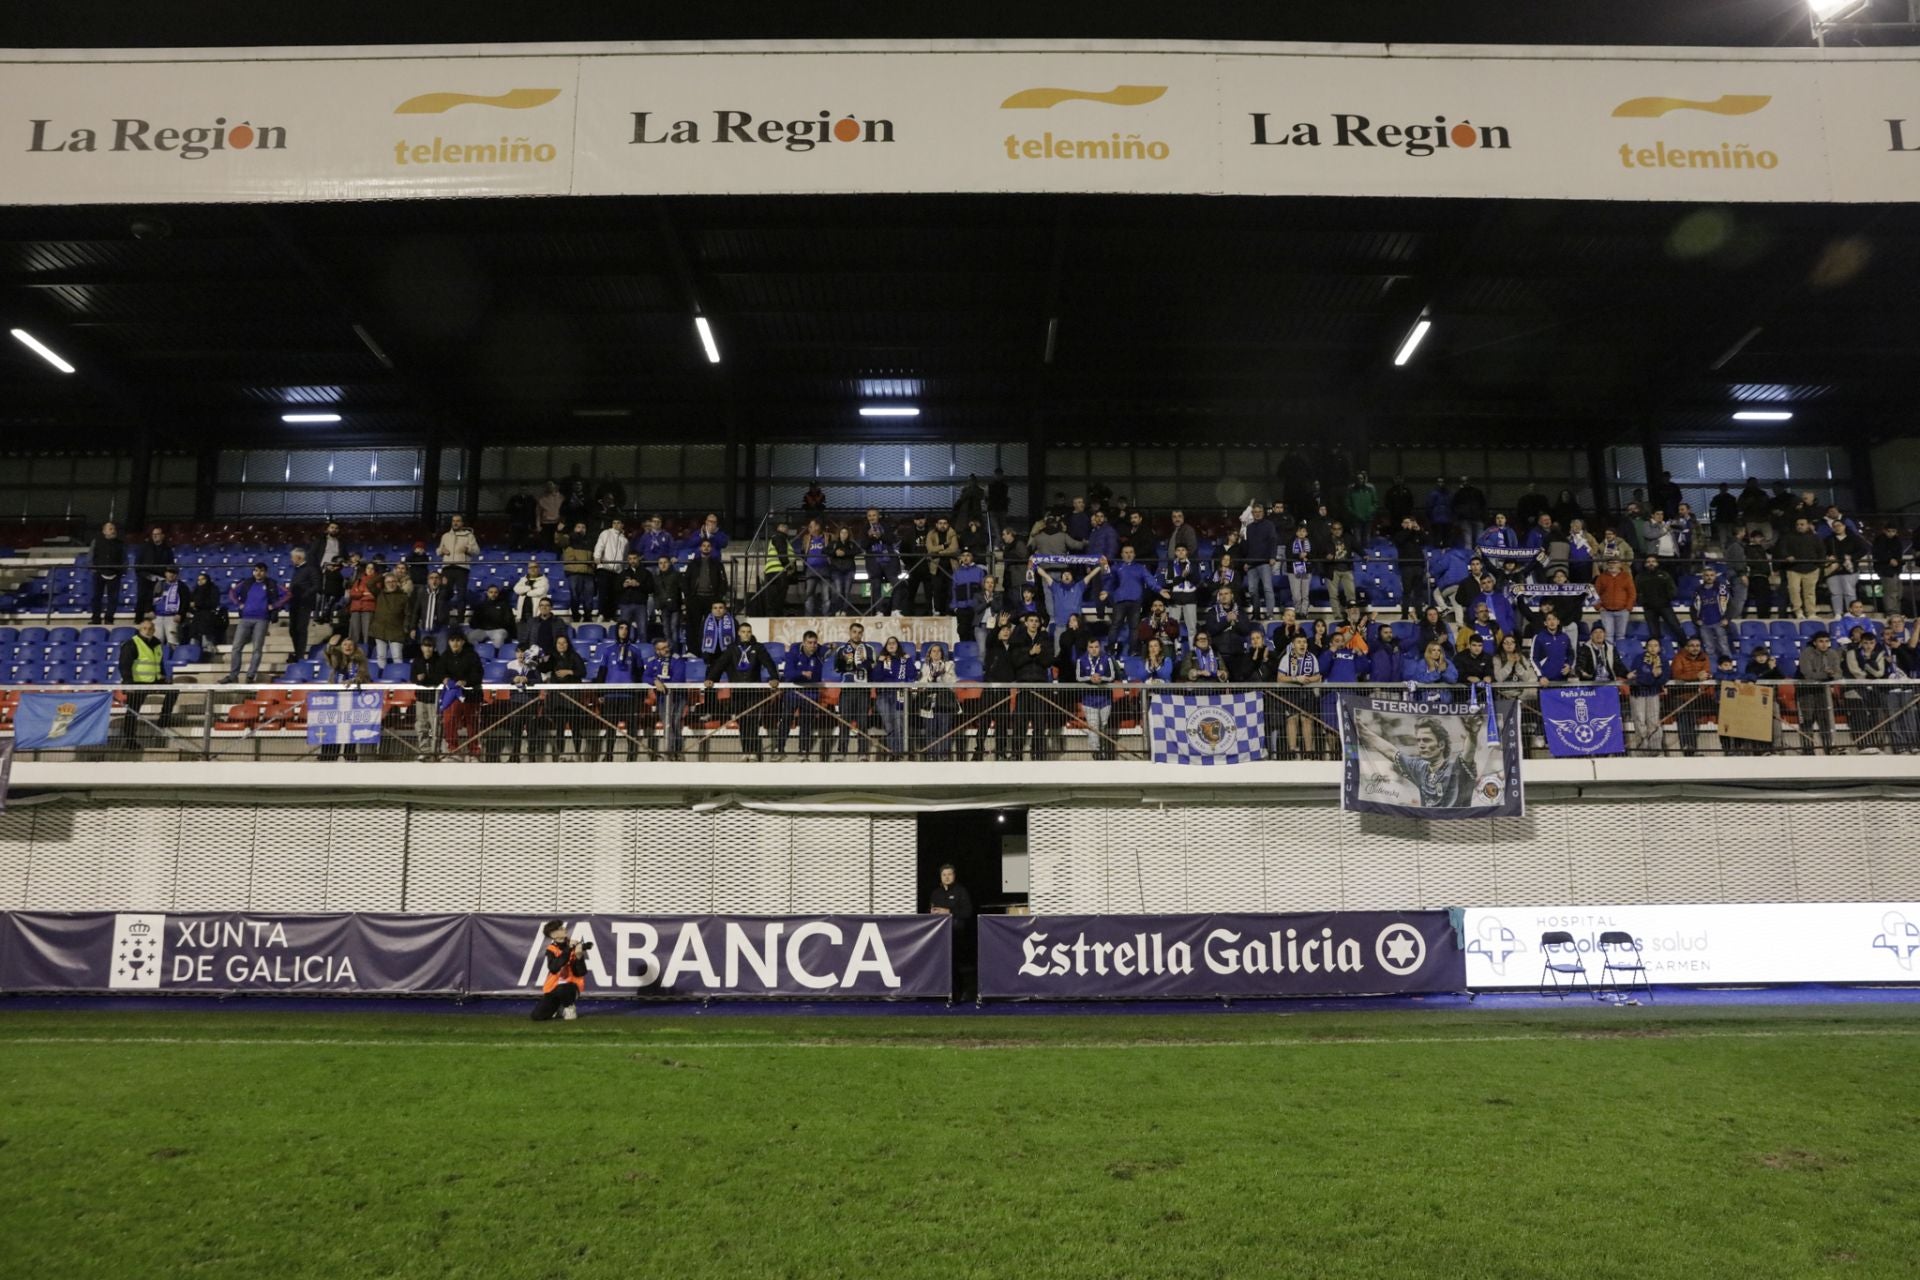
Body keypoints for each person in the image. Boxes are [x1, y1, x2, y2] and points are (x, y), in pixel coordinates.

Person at [1356, 713, 1475, 809]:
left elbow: (1468, 754)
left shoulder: (1456, 768)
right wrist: (1362, 730)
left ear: (1441, 745)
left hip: (1458, 829)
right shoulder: (1419, 767)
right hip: (1431, 829)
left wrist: (1472, 733)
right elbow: (1390, 752)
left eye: (1426, 740)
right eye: (1419, 740)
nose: (1421, 745)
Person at [705, 622, 780, 760]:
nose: (746, 634)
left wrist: (774, 677)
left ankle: (753, 752)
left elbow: (768, 663)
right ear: (739, 633)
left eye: (748, 632)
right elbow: (720, 665)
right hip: (738, 692)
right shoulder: (732, 649)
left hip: (753, 691)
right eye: (743, 631)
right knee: (743, 722)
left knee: (752, 721)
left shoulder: (758, 648)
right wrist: (711, 678)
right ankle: (746, 751)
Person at [221, 563, 291, 683]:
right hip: (245, 619)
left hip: (262, 619)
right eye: (256, 570)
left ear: (266, 572)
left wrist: (274, 606)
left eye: (261, 571)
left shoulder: (271, 584)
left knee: (257, 649)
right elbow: (232, 592)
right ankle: (233, 675)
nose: (258, 573)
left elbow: (288, 594)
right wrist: (238, 604)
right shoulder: (247, 583)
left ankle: (250, 675)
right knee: (236, 648)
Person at [116, 617, 175, 748]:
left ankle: (164, 719)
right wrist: (128, 683)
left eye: (151, 628)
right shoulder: (131, 644)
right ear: (140, 629)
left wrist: (164, 676)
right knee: (133, 712)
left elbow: (158, 662)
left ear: (154, 630)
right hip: (137, 683)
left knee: (173, 691)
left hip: (154, 680)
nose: (148, 631)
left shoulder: (156, 643)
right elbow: (124, 665)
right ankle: (130, 740)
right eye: (145, 628)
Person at [428, 630, 485, 759]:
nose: (455, 643)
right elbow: (437, 673)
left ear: (463, 642)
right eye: (452, 640)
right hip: (452, 696)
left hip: (471, 695)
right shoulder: (445, 656)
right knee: (449, 721)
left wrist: (466, 681)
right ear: (449, 642)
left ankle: (474, 752)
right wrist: (444, 678)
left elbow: (479, 675)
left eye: (458, 640)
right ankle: (453, 750)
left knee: (473, 724)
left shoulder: (472, 656)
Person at [595, 622, 646, 762]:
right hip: (611, 694)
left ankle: (631, 756)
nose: (623, 631)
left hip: (629, 695)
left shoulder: (635, 650)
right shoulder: (607, 650)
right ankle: (609, 754)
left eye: (626, 628)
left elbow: (640, 673)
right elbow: (602, 672)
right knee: (610, 727)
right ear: (616, 631)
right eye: (621, 628)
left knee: (632, 727)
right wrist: (600, 693)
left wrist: (641, 695)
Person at [1009, 614, 1054, 760]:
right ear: (1026, 623)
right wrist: (1030, 653)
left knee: (1039, 724)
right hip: (1023, 687)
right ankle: (1017, 755)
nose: (1034, 623)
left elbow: (1048, 661)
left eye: (1036, 621)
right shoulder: (1018, 639)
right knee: (1020, 724)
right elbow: (1015, 661)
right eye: (1031, 621)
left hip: (1040, 686)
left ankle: (1038, 755)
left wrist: (1038, 655)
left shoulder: (1045, 639)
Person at [929, 863, 975, 999]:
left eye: (949, 874)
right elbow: (932, 911)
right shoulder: (936, 893)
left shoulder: (961, 891)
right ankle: (940, 993)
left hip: (957, 934)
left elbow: (968, 912)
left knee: (956, 965)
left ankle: (960, 993)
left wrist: (949, 911)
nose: (947, 877)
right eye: (944, 875)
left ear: (954, 875)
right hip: (939, 936)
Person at [833, 622, 877, 759]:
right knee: (844, 722)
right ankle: (842, 753)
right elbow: (836, 668)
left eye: (859, 632)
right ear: (850, 633)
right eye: (854, 632)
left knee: (862, 722)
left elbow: (873, 667)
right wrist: (844, 661)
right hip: (847, 689)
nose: (857, 635)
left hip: (863, 690)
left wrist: (864, 661)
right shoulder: (841, 649)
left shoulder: (869, 648)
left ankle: (862, 753)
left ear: (862, 634)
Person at [530, 919, 588, 1022]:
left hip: (572, 987)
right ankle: (559, 1008)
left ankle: (569, 1007)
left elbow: (581, 972)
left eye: (563, 927)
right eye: (560, 928)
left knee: (563, 988)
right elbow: (553, 968)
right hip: (554, 988)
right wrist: (568, 949)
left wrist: (579, 957)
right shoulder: (551, 949)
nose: (564, 929)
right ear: (553, 935)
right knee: (537, 1016)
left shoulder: (575, 945)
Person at [1075, 636, 1119, 760]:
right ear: (1087, 648)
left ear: (1100, 647)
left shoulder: (1107, 659)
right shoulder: (1081, 660)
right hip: (1089, 701)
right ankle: (1096, 752)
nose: (1094, 650)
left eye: (1096, 647)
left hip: (1105, 700)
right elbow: (1078, 677)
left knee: (1103, 726)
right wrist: (1091, 678)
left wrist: (1101, 679)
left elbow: (1112, 676)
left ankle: (1103, 750)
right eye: (1091, 647)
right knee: (1094, 727)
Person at [914, 641, 960, 759]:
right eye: (933, 651)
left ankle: (944, 756)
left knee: (944, 730)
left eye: (939, 651)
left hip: (945, 702)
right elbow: (921, 684)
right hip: (928, 702)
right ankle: (931, 755)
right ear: (929, 654)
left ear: (942, 654)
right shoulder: (925, 667)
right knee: (930, 730)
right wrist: (930, 677)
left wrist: (943, 674)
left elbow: (953, 683)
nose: (936, 653)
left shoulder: (949, 665)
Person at [1774, 517, 1826, 619]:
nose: (1799, 526)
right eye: (1798, 524)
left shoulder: (1815, 538)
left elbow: (1822, 551)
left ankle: (1811, 613)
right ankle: (1798, 611)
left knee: (1810, 592)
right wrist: (1787, 556)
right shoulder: (1788, 537)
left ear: (1808, 525)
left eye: (1802, 524)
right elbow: (1782, 549)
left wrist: (1819, 565)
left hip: (1812, 568)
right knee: (1794, 590)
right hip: (1793, 568)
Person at [1669, 635, 1713, 756]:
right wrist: (1696, 676)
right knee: (1684, 720)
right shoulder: (1679, 657)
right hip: (1680, 696)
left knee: (1692, 721)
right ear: (1687, 647)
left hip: (1696, 696)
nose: (1695, 648)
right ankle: (1687, 748)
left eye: (1697, 646)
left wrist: (1705, 678)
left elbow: (1707, 673)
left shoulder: (1705, 658)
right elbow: (1677, 675)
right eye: (1692, 646)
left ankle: (1692, 748)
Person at [1239, 502, 1280, 619]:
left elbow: (1273, 541)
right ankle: (1256, 614)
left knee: (1268, 588)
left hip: (1265, 562)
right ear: (1252, 513)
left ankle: (1270, 614)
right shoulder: (1249, 527)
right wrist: (1246, 561)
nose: (1257, 514)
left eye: (1259, 512)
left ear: (1263, 513)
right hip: (1251, 563)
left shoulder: (1269, 525)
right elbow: (1246, 546)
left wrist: (1273, 556)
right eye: (1255, 512)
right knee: (1252, 590)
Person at [1633, 554, 1685, 645]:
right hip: (1649, 608)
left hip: (1665, 606)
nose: (1651, 564)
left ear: (1657, 563)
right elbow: (1636, 591)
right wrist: (1642, 601)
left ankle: (1685, 645)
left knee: (1676, 627)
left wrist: (1667, 598)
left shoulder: (1664, 575)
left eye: (1653, 562)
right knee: (1654, 633)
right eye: (1648, 562)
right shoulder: (1640, 577)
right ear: (1645, 564)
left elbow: (1672, 589)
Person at [435, 515, 479, 619]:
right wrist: (442, 551)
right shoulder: (445, 536)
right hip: (447, 568)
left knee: (461, 594)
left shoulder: (469, 536)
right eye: (453, 521)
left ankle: (460, 618)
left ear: (462, 523)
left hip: (462, 568)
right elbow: (438, 550)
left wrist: (468, 549)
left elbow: (476, 551)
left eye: (458, 521)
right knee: (444, 593)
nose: (455, 523)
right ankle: (442, 618)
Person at [369, 569, 413, 669]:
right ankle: (380, 678)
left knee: (397, 656)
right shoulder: (380, 594)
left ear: (397, 583)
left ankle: (398, 679)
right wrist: (382, 575)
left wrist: (406, 628)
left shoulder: (403, 596)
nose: (391, 584)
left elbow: (408, 614)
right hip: (380, 629)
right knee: (381, 656)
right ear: (384, 583)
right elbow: (369, 583)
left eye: (393, 581)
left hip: (396, 630)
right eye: (388, 582)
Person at [129, 526, 175, 623]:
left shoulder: (167, 549)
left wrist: (165, 575)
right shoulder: (144, 547)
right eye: (153, 535)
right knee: (142, 597)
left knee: (159, 598)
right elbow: (138, 564)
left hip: (161, 578)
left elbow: (171, 565)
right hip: (145, 576)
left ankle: (157, 619)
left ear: (162, 536)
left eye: (157, 534)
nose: (155, 536)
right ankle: (138, 620)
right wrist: (146, 575)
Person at [87, 521, 126, 625]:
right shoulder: (96, 541)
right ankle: (96, 618)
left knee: (113, 598)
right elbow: (91, 556)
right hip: (99, 573)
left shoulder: (120, 544)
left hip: (115, 573)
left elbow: (124, 559)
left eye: (114, 529)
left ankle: (109, 619)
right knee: (96, 596)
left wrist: (122, 571)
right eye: (110, 529)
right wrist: (93, 569)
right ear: (104, 531)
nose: (113, 531)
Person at [1594, 558, 1635, 651]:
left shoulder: (1626, 577)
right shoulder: (1601, 577)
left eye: (1614, 563)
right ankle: (1609, 658)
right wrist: (1598, 607)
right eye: (1610, 563)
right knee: (1608, 636)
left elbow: (1632, 593)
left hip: (1623, 611)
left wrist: (1628, 607)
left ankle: (1620, 657)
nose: (1612, 565)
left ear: (1620, 564)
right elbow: (1594, 593)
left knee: (1621, 636)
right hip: (1606, 612)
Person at [150, 565, 187, 648]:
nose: (171, 574)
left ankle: (172, 658)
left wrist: (180, 614)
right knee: (157, 641)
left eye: (174, 573)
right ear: (165, 573)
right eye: (169, 572)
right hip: (158, 616)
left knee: (173, 640)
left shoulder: (181, 586)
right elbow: (151, 598)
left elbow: (185, 601)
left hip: (172, 617)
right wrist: (150, 610)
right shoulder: (159, 584)